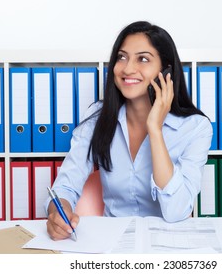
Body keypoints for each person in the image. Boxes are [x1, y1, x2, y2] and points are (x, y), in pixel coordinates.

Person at [45, 21, 213, 240]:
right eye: (122, 57)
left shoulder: (195, 128)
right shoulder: (97, 117)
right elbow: (65, 186)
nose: (127, 68)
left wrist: (155, 130)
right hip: (112, 243)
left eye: (143, 59)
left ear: (166, 71)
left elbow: (176, 212)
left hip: (169, 244)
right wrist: (58, 211)